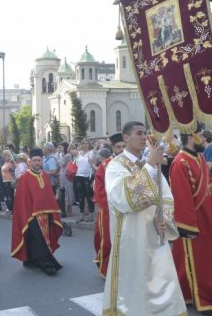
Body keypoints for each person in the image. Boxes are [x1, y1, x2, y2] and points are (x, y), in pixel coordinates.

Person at [101, 122, 186, 315]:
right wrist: (149, 165)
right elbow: (124, 198)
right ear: (125, 137)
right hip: (131, 236)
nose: (143, 137)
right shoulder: (116, 165)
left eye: (145, 133)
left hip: (154, 233)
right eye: (138, 133)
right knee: (135, 282)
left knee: (160, 280)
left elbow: (164, 195)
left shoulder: (148, 165)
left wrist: (161, 217)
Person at [170, 129, 212, 315]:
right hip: (193, 223)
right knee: (194, 261)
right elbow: (181, 197)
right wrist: (188, 226)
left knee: (207, 260)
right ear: (190, 137)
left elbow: (209, 180)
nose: (203, 139)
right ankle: (199, 295)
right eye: (200, 136)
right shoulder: (179, 162)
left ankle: (199, 293)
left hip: (205, 219)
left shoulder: (199, 157)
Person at [11, 147, 63, 277]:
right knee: (37, 239)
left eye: (39, 160)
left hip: (46, 214)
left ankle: (31, 259)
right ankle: (47, 264)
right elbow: (22, 200)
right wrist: (27, 214)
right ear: (30, 161)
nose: (37, 162)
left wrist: (52, 210)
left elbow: (48, 195)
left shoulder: (45, 175)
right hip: (31, 215)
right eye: (34, 160)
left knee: (43, 239)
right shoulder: (25, 177)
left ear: (42, 160)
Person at [91, 147, 112, 278]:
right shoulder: (104, 167)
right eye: (118, 147)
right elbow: (100, 190)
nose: (121, 149)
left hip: (129, 210)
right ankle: (105, 267)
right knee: (106, 239)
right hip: (109, 209)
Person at [74, 139, 94, 222]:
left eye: (86, 143)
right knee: (80, 197)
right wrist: (73, 141)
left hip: (87, 176)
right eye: (83, 143)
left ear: (89, 145)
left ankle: (90, 215)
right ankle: (81, 215)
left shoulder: (91, 153)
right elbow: (68, 150)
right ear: (81, 145)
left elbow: (93, 165)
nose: (85, 145)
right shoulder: (78, 153)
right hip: (78, 176)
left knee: (89, 196)